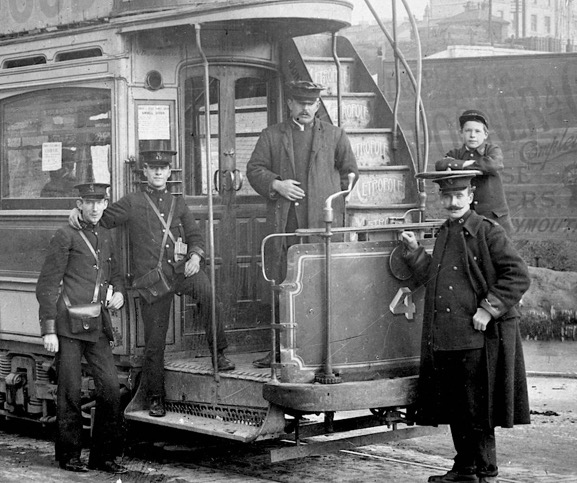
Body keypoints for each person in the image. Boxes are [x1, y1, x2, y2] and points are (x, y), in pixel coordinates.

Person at [69, 146, 235, 418]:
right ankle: (155, 397)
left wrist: (195, 256)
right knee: (155, 342)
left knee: (208, 291)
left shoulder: (177, 203)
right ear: (144, 172)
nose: (158, 172)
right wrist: (75, 213)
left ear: (169, 173)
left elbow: (196, 235)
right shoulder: (133, 201)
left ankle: (220, 354)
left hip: (181, 272)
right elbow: (102, 218)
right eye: (153, 168)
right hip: (153, 282)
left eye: (163, 168)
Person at [400, 169, 531, 483]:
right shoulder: (446, 231)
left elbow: (518, 275)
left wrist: (488, 309)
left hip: (477, 337)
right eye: (446, 196)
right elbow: (436, 279)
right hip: (446, 336)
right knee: (459, 406)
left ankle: (482, 470)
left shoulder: (488, 231)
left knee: (477, 408)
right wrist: (415, 252)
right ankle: (467, 469)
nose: (452, 201)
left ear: (471, 197)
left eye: (459, 195)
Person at [246, 80, 359, 367]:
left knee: (320, 283)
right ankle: (278, 351)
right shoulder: (271, 136)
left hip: (320, 227)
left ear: (318, 105)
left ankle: (320, 351)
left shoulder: (335, 136)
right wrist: (277, 184)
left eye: (311, 103)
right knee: (281, 282)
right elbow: (254, 169)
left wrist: (332, 199)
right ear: (290, 104)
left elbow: (351, 173)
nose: (306, 108)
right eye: (300, 102)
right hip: (284, 227)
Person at [36, 182, 127, 474]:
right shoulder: (65, 236)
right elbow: (47, 285)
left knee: (111, 390)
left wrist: (120, 293)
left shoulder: (107, 236)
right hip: (68, 327)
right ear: (79, 203)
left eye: (100, 202)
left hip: (97, 325)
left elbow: (116, 274)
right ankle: (69, 455)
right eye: (89, 202)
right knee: (70, 393)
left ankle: (103, 457)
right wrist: (48, 329)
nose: (95, 208)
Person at [436, 109, 514, 236]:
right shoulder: (455, 154)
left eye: (477, 131)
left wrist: (461, 165)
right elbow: (441, 164)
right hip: (468, 218)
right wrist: (465, 164)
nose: (472, 135)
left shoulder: (492, 150)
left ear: (485, 134)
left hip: (494, 217)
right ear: (461, 133)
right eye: (468, 131)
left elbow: (493, 164)